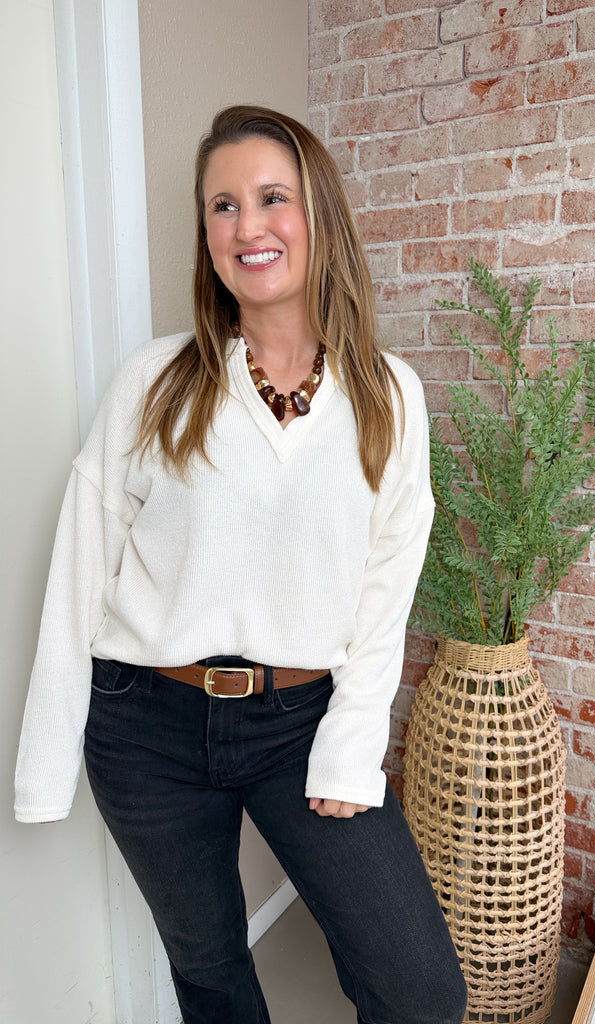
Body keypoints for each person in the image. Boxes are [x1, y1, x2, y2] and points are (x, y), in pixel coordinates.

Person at [14, 105, 467, 1024]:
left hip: (305, 719)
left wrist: (351, 743)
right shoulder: (155, 381)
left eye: (271, 197)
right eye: (221, 206)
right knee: (212, 975)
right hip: (146, 727)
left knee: (421, 992)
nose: (246, 226)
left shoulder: (389, 395)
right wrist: (43, 765)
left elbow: (388, 583)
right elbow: (80, 571)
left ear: (320, 218)